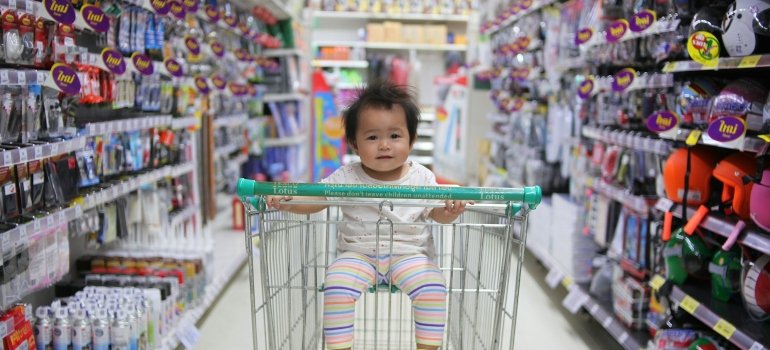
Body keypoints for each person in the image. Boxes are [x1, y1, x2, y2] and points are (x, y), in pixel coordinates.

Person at [267, 80, 471, 350]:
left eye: (395, 136)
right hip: (358, 254)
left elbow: (436, 213)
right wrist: (291, 201)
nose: (384, 145)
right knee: (336, 285)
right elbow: (318, 199)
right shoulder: (347, 176)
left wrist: (450, 211)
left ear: (411, 140)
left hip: (409, 254)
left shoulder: (421, 177)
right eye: (372, 137)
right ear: (354, 143)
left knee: (433, 287)